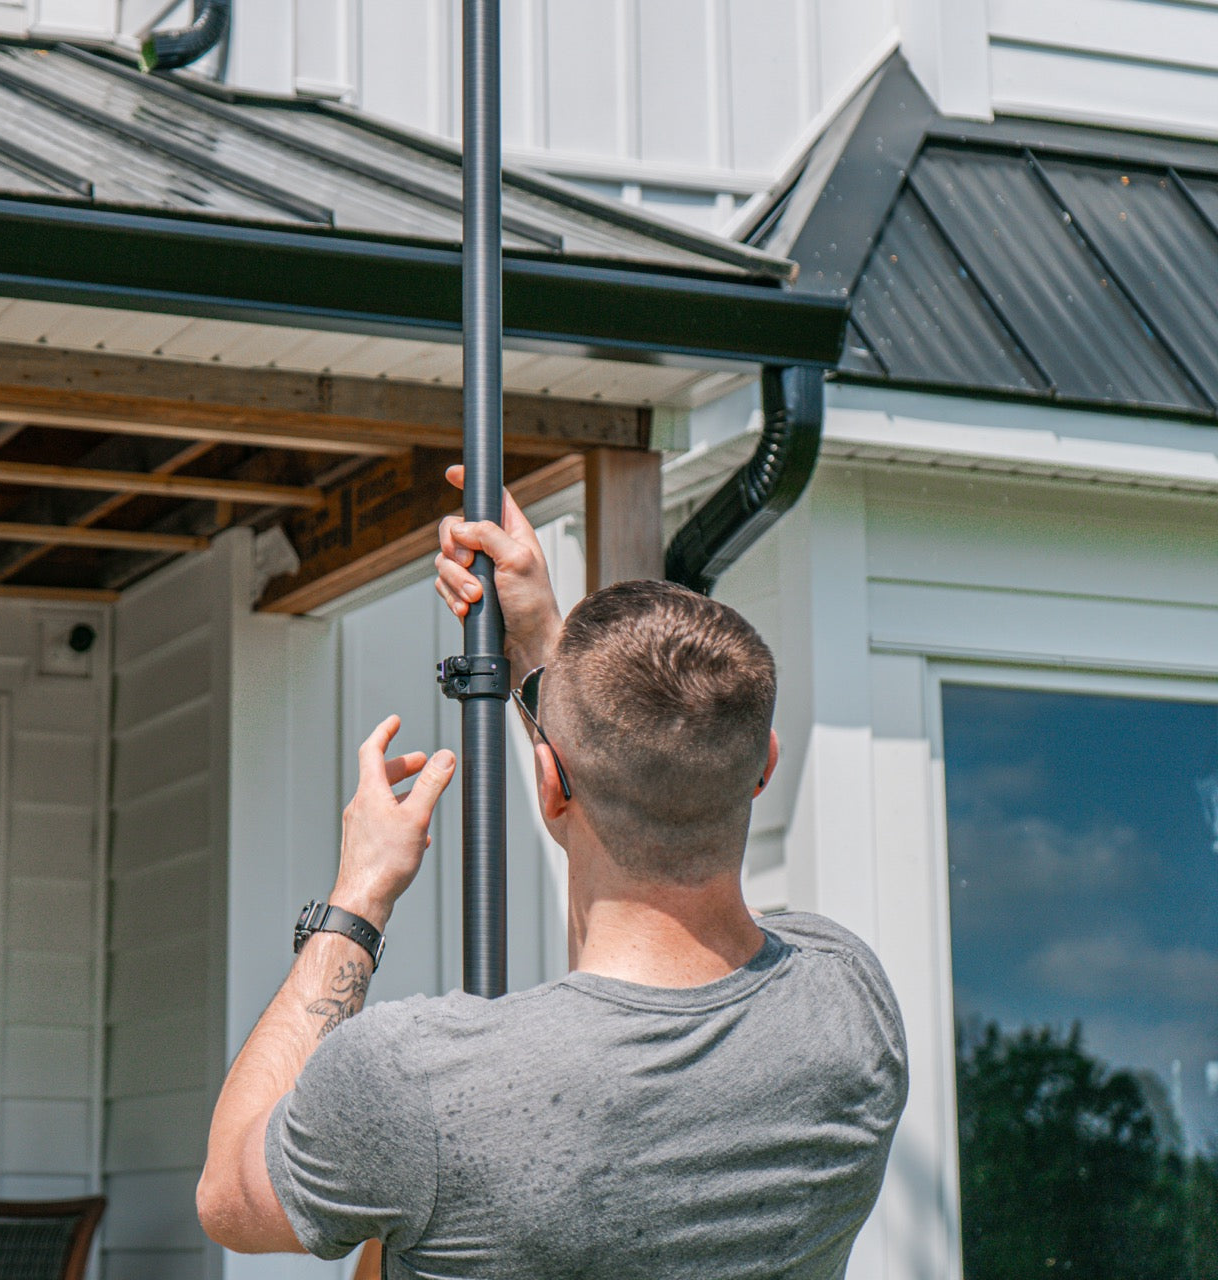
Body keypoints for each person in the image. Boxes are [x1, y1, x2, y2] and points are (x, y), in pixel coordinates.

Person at [197, 467, 908, 1279]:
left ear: (546, 782)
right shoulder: (849, 1001)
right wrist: (543, 646)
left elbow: (228, 1193)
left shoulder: (420, 1086)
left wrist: (357, 901)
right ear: (763, 766)